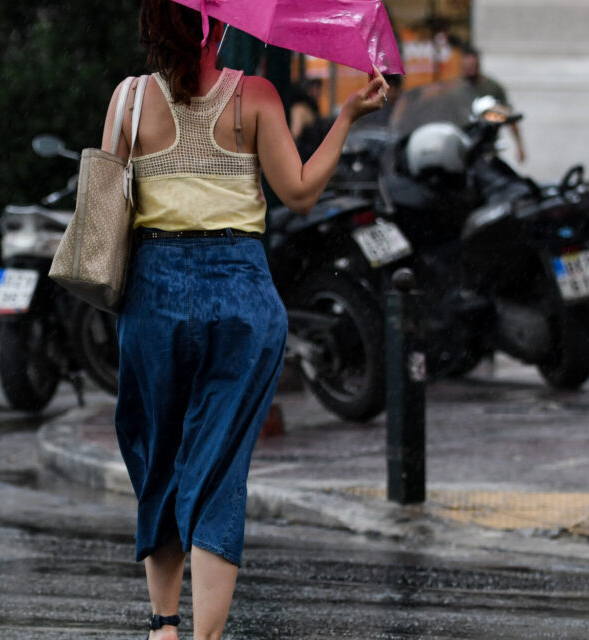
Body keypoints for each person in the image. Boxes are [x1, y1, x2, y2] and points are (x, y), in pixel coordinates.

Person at [100, 3, 387, 638]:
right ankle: (205, 637)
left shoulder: (127, 101)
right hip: (241, 297)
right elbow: (302, 191)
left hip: (155, 295)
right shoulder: (253, 97)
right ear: (212, 28)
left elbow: (107, 204)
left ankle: (163, 626)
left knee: (162, 457)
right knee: (218, 467)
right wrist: (346, 117)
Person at [460, 46, 525, 163]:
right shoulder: (456, 89)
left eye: (472, 65)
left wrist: (519, 146)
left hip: (487, 147)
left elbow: (508, 115)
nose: (469, 69)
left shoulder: (492, 87)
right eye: (466, 66)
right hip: (461, 146)